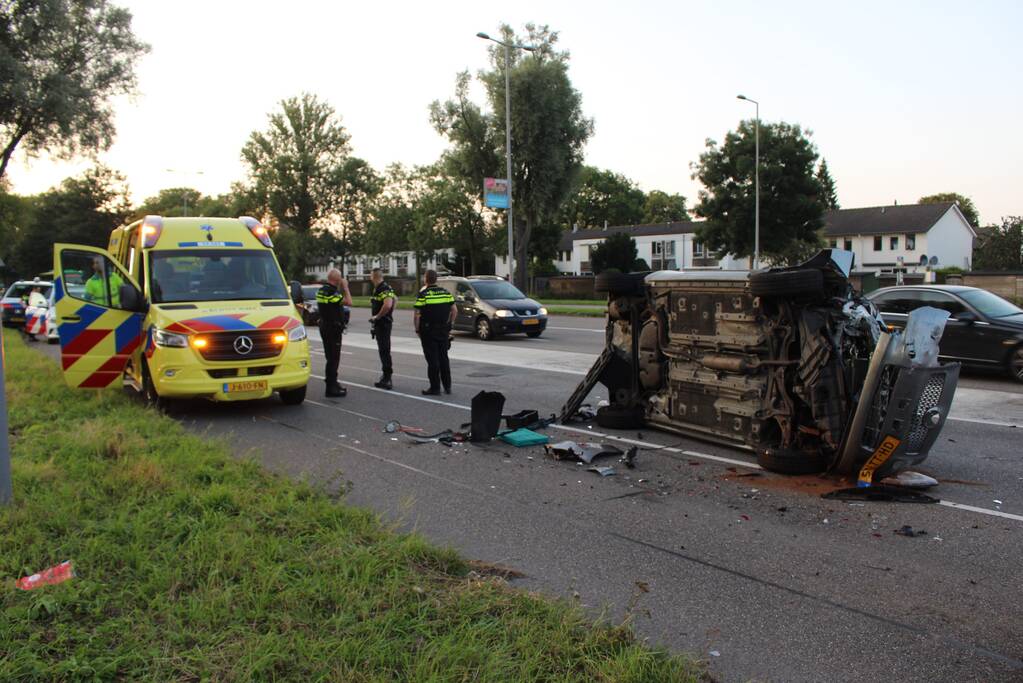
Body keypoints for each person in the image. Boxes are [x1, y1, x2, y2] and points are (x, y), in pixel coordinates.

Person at [413, 269, 456, 395]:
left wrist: (417, 329)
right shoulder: (446, 293)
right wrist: (450, 324)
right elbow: (454, 310)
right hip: (443, 330)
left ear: (425, 279)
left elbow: (416, 315)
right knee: (444, 358)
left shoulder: (424, 294)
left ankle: (435, 388)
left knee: (432, 360)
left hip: (428, 330)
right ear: (436, 279)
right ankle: (447, 386)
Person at [316, 268, 352, 397]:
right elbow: (349, 302)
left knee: (330, 357)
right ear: (337, 280)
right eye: (340, 278)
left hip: (325, 327)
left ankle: (333, 382)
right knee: (333, 359)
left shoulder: (322, 290)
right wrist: (346, 287)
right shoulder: (331, 292)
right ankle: (331, 388)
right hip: (332, 329)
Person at [368, 267, 396, 390]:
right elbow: (395, 299)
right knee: (383, 350)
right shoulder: (380, 288)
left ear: (374, 277)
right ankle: (385, 376)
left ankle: (387, 378)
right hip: (382, 324)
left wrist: (378, 317)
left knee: (384, 350)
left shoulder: (383, 288)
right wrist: (390, 313)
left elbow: (388, 303)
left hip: (383, 324)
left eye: (370, 275)